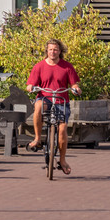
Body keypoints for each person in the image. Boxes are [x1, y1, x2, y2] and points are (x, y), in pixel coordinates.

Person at [25, 39, 81, 175]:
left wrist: (76, 89)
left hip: (61, 101)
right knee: (38, 105)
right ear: (47, 51)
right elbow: (30, 85)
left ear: (60, 51)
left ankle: (62, 160)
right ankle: (37, 139)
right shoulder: (39, 67)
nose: (52, 52)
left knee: (62, 130)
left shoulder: (67, 67)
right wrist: (30, 87)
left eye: (55, 49)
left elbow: (74, 84)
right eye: (50, 49)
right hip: (45, 99)